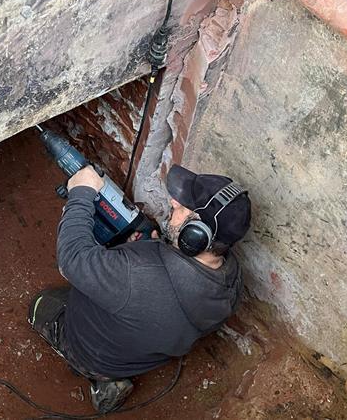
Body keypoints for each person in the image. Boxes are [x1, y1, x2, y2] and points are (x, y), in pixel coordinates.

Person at [28, 164, 251, 413]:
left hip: (93, 352)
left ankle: (98, 377)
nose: (174, 202)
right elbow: (156, 290)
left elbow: (71, 260)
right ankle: (112, 378)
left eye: (183, 207)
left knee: (41, 305)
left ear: (196, 235)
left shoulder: (135, 275)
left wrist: (80, 192)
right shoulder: (230, 279)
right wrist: (152, 249)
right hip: (137, 356)